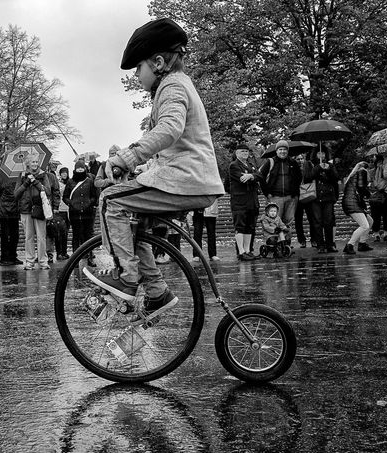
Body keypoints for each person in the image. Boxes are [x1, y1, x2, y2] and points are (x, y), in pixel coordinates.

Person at [84, 18, 223, 320]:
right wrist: (138, 169)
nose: (136, 74)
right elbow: (172, 147)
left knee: (111, 200)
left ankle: (126, 277)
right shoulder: (176, 86)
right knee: (135, 228)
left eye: (139, 67)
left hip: (186, 179)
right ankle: (157, 293)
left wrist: (125, 158)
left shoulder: (172, 86)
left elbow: (170, 129)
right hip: (190, 178)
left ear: (158, 62)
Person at [259, 140, 301, 246]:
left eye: (285, 149)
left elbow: (299, 178)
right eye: (280, 149)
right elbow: (261, 177)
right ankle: (274, 244)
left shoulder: (293, 162)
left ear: (288, 151)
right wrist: (266, 192)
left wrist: (295, 193)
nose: (282, 151)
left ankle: (286, 244)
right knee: (274, 221)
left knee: (288, 221)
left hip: (290, 197)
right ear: (276, 151)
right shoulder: (270, 162)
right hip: (275, 197)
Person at [14, 154, 52, 270]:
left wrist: (35, 182)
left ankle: (43, 261)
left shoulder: (43, 175)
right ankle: (29, 261)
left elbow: (48, 191)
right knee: (28, 237)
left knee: (41, 237)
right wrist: (26, 183)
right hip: (25, 210)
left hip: (39, 209)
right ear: (28, 163)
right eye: (33, 162)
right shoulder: (22, 176)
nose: (35, 164)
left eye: (36, 162)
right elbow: (16, 194)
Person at [229, 144, 262, 260]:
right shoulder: (233, 165)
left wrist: (251, 176)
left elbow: (260, 176)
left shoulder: (251, 164)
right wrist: (253, 177)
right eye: (242, 151)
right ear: (237, 153)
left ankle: (248, 250)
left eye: (246, 151)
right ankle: (241, 252)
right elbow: (241, 179)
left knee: (250, 226)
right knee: (240, 226)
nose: (245, 153)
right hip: (239, 201)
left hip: (252, 200)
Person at [304, 148, 339, 253]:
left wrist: (329, 170)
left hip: (328, 197)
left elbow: (336, 178)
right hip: (315, 197)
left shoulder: (330, 165)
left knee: (328, 221)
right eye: (319, 153)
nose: (321, 155)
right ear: (315, 154)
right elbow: (307, 178)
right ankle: (320, 244)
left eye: (323, 153)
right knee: (317, 221)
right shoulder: (310, 165)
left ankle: (330, 244)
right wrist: (317, 168)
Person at [63, 160, 98, 264]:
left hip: (88, 213)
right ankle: (75, 260)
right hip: (75, 213)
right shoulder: (70, 182)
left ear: (85, 169)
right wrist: (72, 203)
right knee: (76, 235)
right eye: (78, 168)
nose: (80, 170)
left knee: (88, 235)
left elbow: (94, 196)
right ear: (75, 169)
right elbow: (65, 197)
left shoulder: (89, 180)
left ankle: (90, 257)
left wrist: (89, 203)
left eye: (82, 168)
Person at [341, 161, 373, 254]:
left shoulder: (353, 174)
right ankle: (349, 245)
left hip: (351, 202)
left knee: (370, 221)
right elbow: (361, 187)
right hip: (352, 203)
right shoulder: (362, 172)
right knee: (364, 225)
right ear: (367, 169)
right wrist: (369, 194)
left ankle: (362, 243)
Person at [0, 178, 22, 266]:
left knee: (11, 235)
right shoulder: (16, 181)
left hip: (9, 210)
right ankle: (6, 257)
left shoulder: (4, 180)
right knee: (8, 235)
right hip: (6, 211)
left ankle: (10, 257)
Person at [294, 153, 316, 248]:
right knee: (298, 220)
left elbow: (313, 176)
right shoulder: (293, 168)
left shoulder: (309, 165)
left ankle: (314, 239)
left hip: (308, 194)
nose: (300, 161)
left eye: (301, 158)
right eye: (298, 159)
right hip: (297, 197)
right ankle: (302, 240)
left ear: (304, 159)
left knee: (312, 218)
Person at [367, 152, 387, 243]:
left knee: (386, 215)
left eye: (381, 162)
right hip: (374, 197)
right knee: (375, 216)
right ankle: (376, 234)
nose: (380, 164)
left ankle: (386, 233)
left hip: (385, 196)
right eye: (378, 162)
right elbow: (368, 184)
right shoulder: (371, 172)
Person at [44, 161, 62, 262]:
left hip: (48, 206)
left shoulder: (51, 177)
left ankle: (49, 253)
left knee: (49, 231)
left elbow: (56, 191)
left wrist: (55, 206)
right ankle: (42, 253)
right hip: (37, 207)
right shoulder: (31, 176)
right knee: (40, 233)